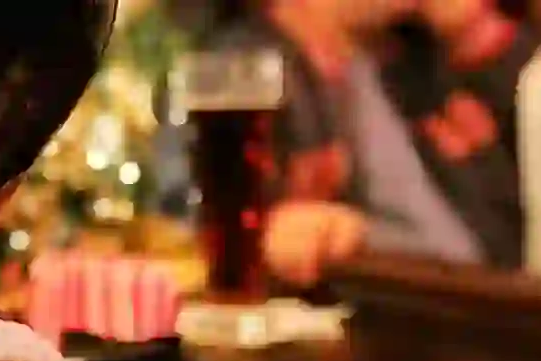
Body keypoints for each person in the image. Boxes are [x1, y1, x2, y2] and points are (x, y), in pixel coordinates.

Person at [221, 0, 539, 286]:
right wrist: (274, 231)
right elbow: (189, 216)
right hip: (377, 322)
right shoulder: (243, 66)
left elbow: (503, 229)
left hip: (482, 314)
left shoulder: (409, 60)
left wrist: (478, 33)